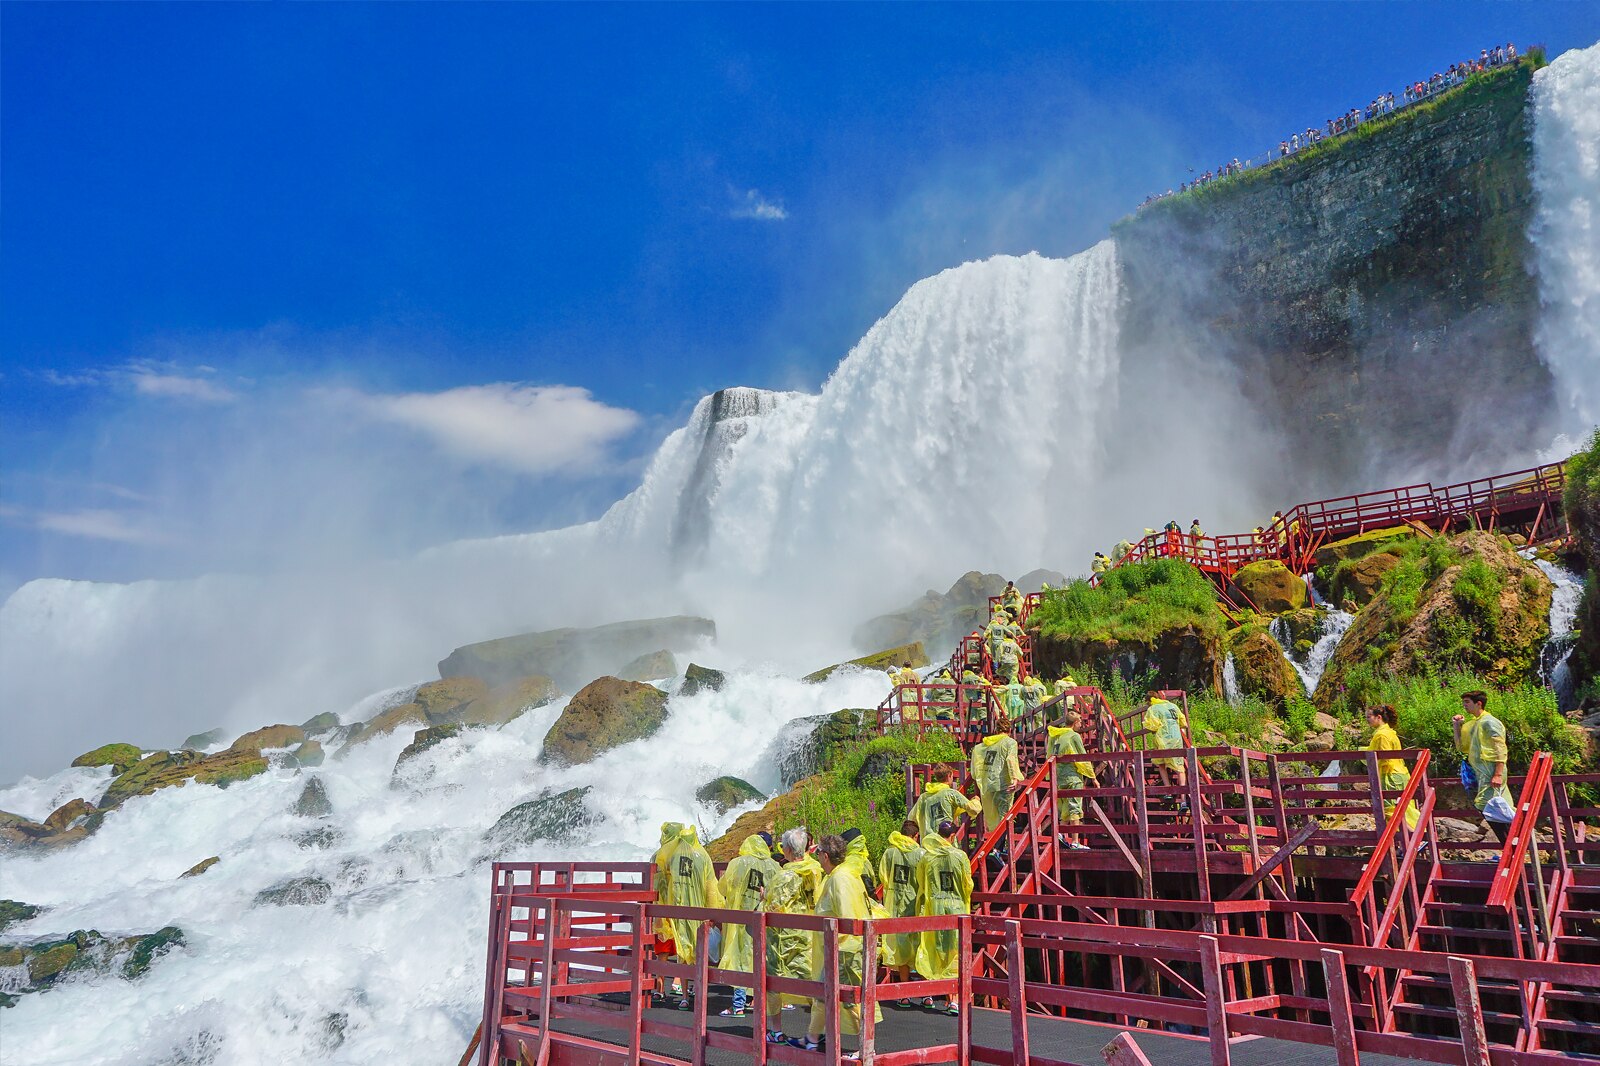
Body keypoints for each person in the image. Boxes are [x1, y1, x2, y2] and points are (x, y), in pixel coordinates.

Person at [796, 834, 881, 1054]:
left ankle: (866, 1048)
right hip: (843, 947)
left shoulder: (838, 879)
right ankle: (812, 1037)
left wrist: (843, 943)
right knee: (824, 994)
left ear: (825, 856)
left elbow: (846, 915)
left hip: (844, 949)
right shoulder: (846, 874)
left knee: (850, 999)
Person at [761, 828, 822, 1045]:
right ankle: (816, 1029)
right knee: (813, 982)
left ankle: (776, 1031)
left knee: (774, 982)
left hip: (785, 938)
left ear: (787, 849)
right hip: (810, 934)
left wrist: (765, 896)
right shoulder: (815, 870)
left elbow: (774, 906)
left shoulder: (786, 875)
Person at [718, 833, 782, 1016]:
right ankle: (759, 1001)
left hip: (741, 918)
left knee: (739, 959)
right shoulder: (774, 866)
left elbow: (723, 887)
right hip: (764, 919)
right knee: (760, 958)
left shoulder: (739, 863)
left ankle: (738, 1005)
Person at [660, 823, 723, 1009]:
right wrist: (714, 913)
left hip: (680, 912)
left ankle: (685, 996)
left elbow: (666, 884)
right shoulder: (702, 856)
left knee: (683, 953)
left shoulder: (673, 856)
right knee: (698, 953)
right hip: (699, 912)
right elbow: (711, 888)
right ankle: (698, 990)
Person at [914, 820, 972, 1014]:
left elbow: (921, 881)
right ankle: (953, 999)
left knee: (935, 949)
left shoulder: (928, 857)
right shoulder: (960, 856)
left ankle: (931, 993)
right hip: (956, 906)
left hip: (936, 905)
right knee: (954, 951)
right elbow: (967, 884)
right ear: (953, 835)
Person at [1454, 690, 1514, 839]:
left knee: (1489, 806)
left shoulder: (1489, 722)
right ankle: (1510, 844)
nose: (1464, 705)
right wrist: (1457, 726)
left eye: (1467, 702)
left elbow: (1500, 748)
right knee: (1496, 808)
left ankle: (1511, 843)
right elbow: (1461, 747)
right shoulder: (1473, 723)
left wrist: (1498, 774)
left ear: (1478, 703)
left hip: (1492, 772)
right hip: (1481, 773)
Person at [878, 822, 925, 999]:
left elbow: (883, 876)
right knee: (919, 946)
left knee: (900, 948)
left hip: (894, 903)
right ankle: (926, 993)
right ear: (915, 836)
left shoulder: (890, 853)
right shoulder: (920, 854)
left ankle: (904, 993)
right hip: (914, 902)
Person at [1363, 705, 1420, 832]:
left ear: (1379, 717)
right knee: (1405, 808)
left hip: (1390, 776)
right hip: (1400, 774)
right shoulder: (1390, 733)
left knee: (1391, 810)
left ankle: (1413, 836)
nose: (1367, 720)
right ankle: (1410, 839)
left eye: (1369, 717)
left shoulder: (1382, 735)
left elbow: (1385, 758)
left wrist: (1367, 757)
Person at [1047, 708, 1098, 849]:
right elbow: (1083, 756)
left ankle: (1060, 835)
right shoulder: (1073, 736)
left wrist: (1049, 776)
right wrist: (1093, 777)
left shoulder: (1054, 736)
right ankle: (1075, 842)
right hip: (1072, 776)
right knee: (1075, 808)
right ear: (1075, 722)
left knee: (1063, 808)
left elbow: (1048, 756)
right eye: (1080, 722)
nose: (1081, 724)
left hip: (1058, 777)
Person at [971, 723, 1024, 834]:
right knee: (1004, 816)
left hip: (987, 784)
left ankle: (995, 845)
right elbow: (1011, 759)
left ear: (996, 730)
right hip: (1003, 784)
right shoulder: (1010, 742)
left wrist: (978, 777)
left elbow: (976, 763)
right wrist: (1015, 778)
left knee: (992, 817)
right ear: (1009, 730)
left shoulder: (985, 744)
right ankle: (1000, 847)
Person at [909, 765, 982, 840]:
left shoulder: (923, 797)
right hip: (946, 840)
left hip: (928, 842)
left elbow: (912, 818)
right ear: (949, 775)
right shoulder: (951, 794)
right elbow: (974, 808)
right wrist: (976, 800)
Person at [1142, 695, 1190, 805]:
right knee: (1179, 768)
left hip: (1162, 740)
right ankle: (1183, 799)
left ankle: (1167, 790)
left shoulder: (1153, 708)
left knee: (1161, 764)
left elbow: (1151, 726)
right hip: (1176, 740)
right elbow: (1184, 723)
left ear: (1149, 701)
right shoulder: (1173, 706)